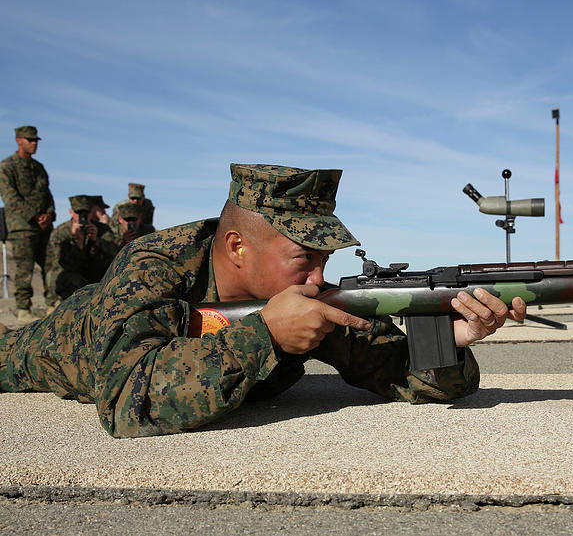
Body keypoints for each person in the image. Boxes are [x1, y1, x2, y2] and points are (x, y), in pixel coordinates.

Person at [0, 164, 527, 438]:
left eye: (327, 256)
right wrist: (266, 334)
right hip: (54, 343)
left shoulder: (307, 294)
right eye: (305, 258)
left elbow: (395, 371)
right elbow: (124, 401)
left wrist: (449, 344)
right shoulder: (153, 266)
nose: (321, 275)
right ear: (236, 246)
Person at [0, 126, 55, 321]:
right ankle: (23, 308)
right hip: (22, 226)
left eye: (36, 140)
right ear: (18, 140)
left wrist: (49, 215)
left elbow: (47, 195)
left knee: (51, 263)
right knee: (25, 267)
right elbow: (10, 198)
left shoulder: (39, 168)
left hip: (44, 226)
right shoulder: (7, 167)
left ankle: (51, 304)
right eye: (30, 140)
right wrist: (35, 216)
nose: (34, 144)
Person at [45, 195, 120, 303]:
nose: (82, 217)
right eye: (78, 213)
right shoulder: (61, 232)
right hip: (68, 275)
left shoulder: (101, 230)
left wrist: (96, 241)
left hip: (92, 274)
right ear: (71, 212)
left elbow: (115, 253)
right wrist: (78, 242)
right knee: (73, 280)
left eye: (86, 213)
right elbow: (62, 263)